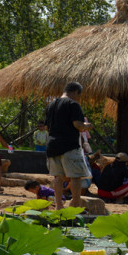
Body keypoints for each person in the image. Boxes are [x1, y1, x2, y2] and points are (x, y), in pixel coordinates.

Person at [44, 81, 93, 209]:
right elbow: (78, 125)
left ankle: (59, 206)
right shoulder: (73, 104)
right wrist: (87, 126)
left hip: (52, 145)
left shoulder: (51, 105)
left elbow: (46, 126)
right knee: (75, 176)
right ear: (76, 92)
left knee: (58, 177)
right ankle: (75, 206)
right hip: (69, 145)